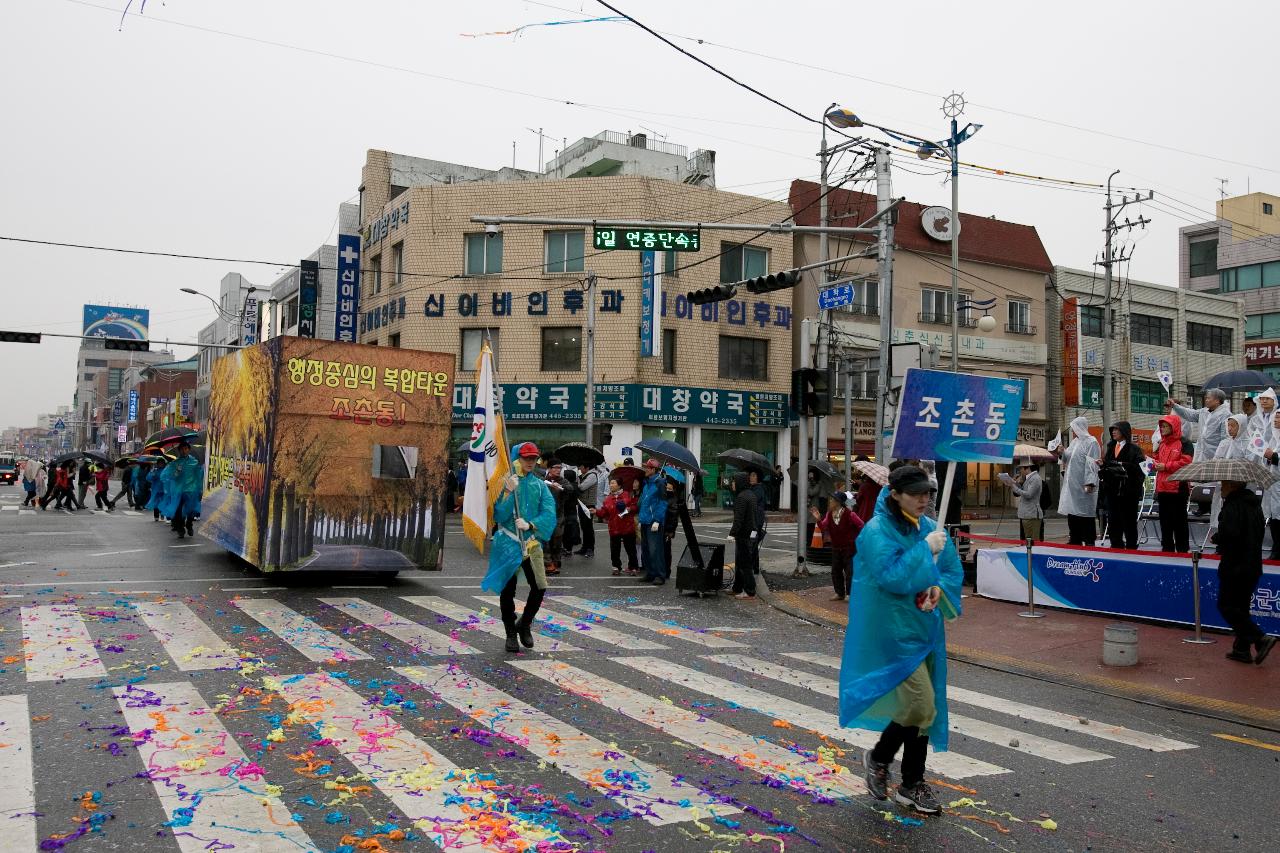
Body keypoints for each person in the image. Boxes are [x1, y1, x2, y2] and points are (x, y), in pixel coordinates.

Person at [842, 465, 962, 816]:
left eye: (928, 493)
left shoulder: (930, 528)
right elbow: (891, 576)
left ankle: (910, 781)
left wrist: (939, 588)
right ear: (895, 494)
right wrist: (925, 550)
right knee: (922, 704)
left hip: (925, 632)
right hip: (891, 633)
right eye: (916, 493)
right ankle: (882, 758)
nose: (924, 500)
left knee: (924, 709)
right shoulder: (876, 532)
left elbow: (952, 572)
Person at [482, 442, 558, 653]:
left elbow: (549, 512)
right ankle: (510, 632)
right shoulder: (505, 485)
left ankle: (524, 624)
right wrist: (507, 493)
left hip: (531, 544)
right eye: (526, 458)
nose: (530, 462)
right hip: (507, 544)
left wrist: (531, 524)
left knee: (539, 587)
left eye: (533, 458)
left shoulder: (540, 485)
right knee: (508, 591)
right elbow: (499, 515)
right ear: (516, 458)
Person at [1212, 479, 1276, 664]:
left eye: (1224, 484)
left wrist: (1217, 537)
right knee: (1241, 608)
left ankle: (1260, 638)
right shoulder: (1254, 505)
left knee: (1227, 606)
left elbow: (1230, 534)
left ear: (1232, 485)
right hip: (1252, 565)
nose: (1221, 487)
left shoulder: (1233, 505)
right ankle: (1241, 649)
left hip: (1235, 565)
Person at [1098, 421, 1147, 550]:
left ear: (1124, 432)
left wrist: (1123, 465)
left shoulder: (1134, 449)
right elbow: (1108, 465)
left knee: (1129, 520)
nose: (1113, 432)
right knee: (1113, 519)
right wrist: (1103, 465)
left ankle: (1131, 545)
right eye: (1112, 430)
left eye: (1117, 430)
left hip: (1128, 492)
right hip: (1113, 490)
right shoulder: (1110, 447)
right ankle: (1116, 544)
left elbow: (1140, 469)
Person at [1209, 413, 1259, 533]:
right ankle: (1221, 537)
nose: (1230, 428)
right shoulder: (1224, 443)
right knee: (1223, 513)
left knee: (1239, 515)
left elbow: (1250, 464)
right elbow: (1216, 460)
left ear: (1241, 426)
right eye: (1228, 425)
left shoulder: (1250, 444)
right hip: (1225, 485)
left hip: (1242, 486)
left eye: (1233, 426)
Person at [1152, 413, 1194, 553]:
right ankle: (1167, 549)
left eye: (1165, 426)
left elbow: (1186, 462)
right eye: (1161, 426)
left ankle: (1182, 550)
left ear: (1173, 427)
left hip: (1178, 488)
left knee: (1179, 522)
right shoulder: (1162, 443)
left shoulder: (1185, 443)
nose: (1162, 429)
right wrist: (1153, 464)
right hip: (1163, 488)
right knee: (1165, 522)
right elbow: (1156, 459)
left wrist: (1166, 466)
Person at [812, 491, 864, 601]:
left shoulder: (850, 514)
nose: (830, 502)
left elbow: (861, 525)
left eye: (832, 500)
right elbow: (823, 527)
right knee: (836, 570)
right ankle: (839, 593)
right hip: (836, 547)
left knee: (849, 571)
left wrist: (858, 539)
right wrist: (818, 519)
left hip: (849, 548)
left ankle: (850, 594)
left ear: (839, 502)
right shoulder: (829, 515)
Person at [1055, 416, 1100, 546]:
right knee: (1072, 511)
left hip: (1083, 484)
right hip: (1072, 484)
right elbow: (1066, 458)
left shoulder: (1092, 442)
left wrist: (1090, 482)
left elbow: (1092, 463)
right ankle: (1075, 538)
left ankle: (1089, 540)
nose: (1074, 431)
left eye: (1075, 428)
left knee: (1085, 513)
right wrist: (1061, 452)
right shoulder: (1075, 442)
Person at [1169, 388, 1231, 462]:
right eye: (1206, 398)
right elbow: (1189, 414)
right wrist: (1175, 406)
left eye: (1208, 398)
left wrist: (1218, 456)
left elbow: (1225, 439)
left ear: (1217, 400)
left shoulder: (1226, 415)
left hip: (1215, 456)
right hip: (1200, 454)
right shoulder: (1204, 412)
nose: (1206, 400)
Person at [637, 458, 671, 585]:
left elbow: (663, 503)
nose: (645, 469)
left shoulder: (660, 483)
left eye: (647, 467)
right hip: (645, 521)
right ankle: (650, 573)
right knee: (646, 549)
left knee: (655, 549)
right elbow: (645, 503)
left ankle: (660, 575)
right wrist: (641, 519)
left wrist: (657, 520)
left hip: (653, 522)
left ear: (653, 469)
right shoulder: (647, 483)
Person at [595, 478, 638, 576]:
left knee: (631, 549)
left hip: (628, 527)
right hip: (614, 528)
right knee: (615, 549)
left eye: (613, 483)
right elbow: (603, 513)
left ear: (619, 485)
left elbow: (635, 507)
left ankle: (633, 567)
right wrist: (596, 511)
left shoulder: (628, 495)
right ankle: (616, 567)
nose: (610, 485)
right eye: (610, 483)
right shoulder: (608, 499)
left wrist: (629, 508)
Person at [729, 472, 761, 599]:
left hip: (744, 534)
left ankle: (749, 590)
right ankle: (737, 587)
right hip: (751, 533)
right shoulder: (750, 495)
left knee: (744, 563)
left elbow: (739, 519)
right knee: (742, 562)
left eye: (734, 481)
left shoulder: (742, 497)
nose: (732, 484)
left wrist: (732, 533)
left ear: (740, 483)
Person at [164, 442, 203, 538]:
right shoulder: (174, 463)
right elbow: (168, 476)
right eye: (182, 449)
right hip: (178, 491)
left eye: (186, 449)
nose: (184, 451)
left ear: (189, 450)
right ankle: (180, 528)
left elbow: (199, 476)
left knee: (191, 509)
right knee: (178, 510)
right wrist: (176, 472)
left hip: (191, 490)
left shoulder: (194, 462)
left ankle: (189, 525)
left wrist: (200, 489)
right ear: (179, 450)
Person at [1008, 460, 1044, 542]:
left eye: (1021, 469)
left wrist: (1014, 487)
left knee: (1033, 540)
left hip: (1031, 514)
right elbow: (1022, 492)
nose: (1020, 471)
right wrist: (1015, 483)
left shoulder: (1035, 478)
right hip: (1027, 514)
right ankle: (1030, 554)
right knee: (1028, 540)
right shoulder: (1028, 478)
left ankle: (1033, 554)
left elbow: (1029, 494)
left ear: (1027, 468)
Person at [1262, 410, 1280, 559]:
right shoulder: (1274, 438)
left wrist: (1273, 456)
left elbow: (1276, 458)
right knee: (1274, 517)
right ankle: (1276, 548)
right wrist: (1268, 457)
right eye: (1276, 417)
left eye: (1279, 418)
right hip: (1274, 486)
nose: (1276, 420)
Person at [575, 464, 598, 558]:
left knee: (588, 527)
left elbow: (582, 487)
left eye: (581, 467)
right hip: (582, 503)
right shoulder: (583, 476)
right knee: (584, 526)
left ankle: (590, 549)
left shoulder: (592, 475)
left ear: (587, 467)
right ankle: (584, 547)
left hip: (589, 504)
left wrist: (577, 482)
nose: (579, 468)